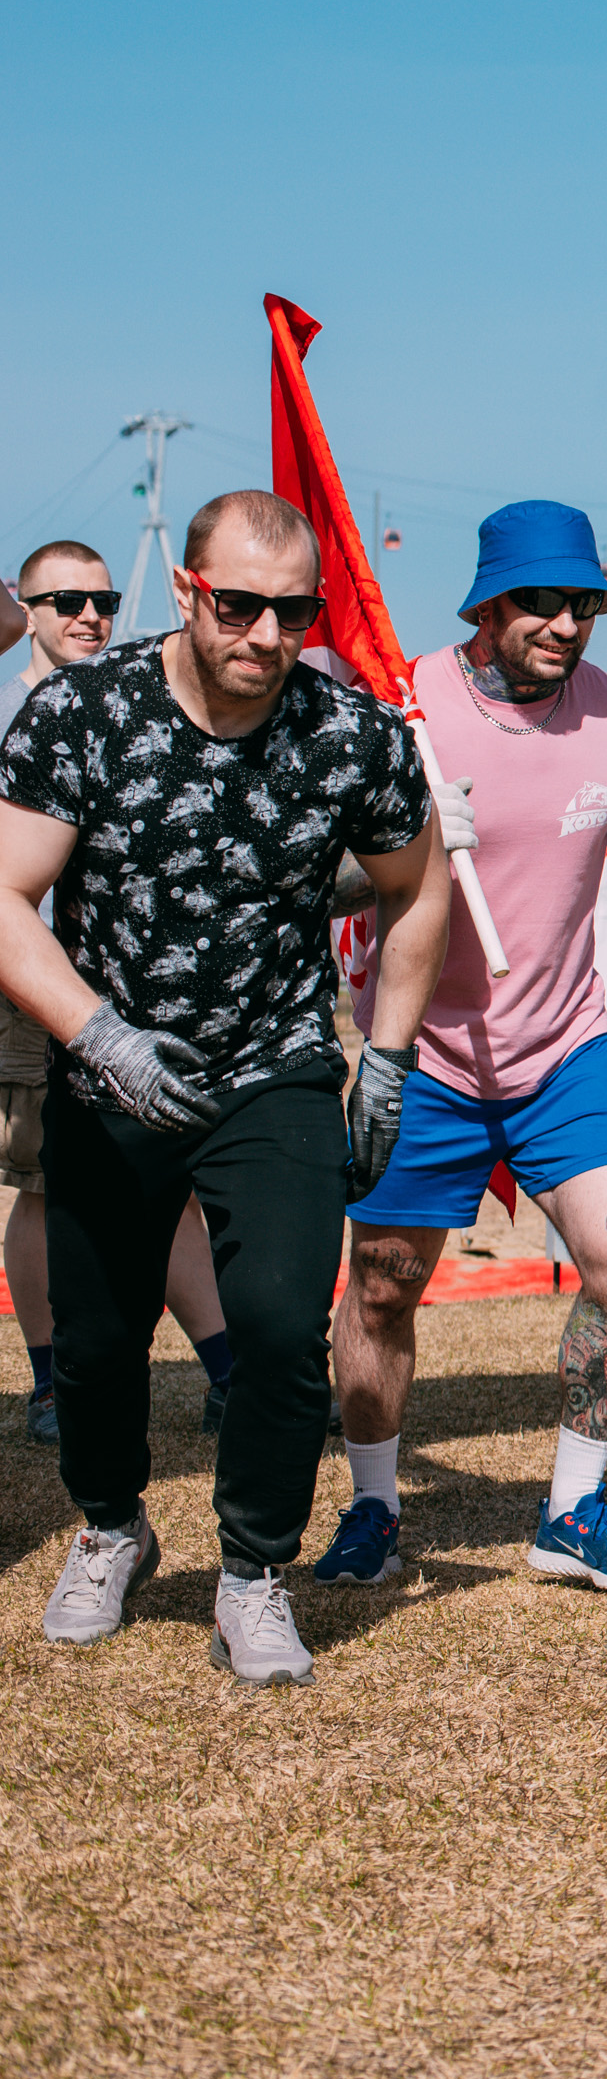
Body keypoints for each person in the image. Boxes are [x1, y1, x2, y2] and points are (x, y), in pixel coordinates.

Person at [2, 491, 447, 1687]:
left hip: (275, 1068)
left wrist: (388, 1057)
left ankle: (253, 1570)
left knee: (282, 1330)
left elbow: (419, 886)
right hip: (110, 1065)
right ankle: (112, 1526)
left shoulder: (348, 732)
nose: (265, 634)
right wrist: (100, 1038)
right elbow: (5, 895)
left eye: (293, 612)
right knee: (96, 1343)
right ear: (189, 591)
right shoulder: (83, 711)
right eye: (239, 605)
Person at [317, 506, 607, 1594]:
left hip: (564, 1051)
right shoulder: (403, 707)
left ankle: (573, 1511)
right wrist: (397, 848)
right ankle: (375, 1506)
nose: (566, 624)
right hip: (421, 1054)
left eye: (586, 603)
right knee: (382, 1290)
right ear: (486, 606)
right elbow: (313, 878)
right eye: (541, 601)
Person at [0, 544, 226, 1448]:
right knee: (46, 1185)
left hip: (132, 984)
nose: (89, 615)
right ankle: (52, 1383)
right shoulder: (13, 707)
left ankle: (228, 1369)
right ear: (25, 607)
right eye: (64, 600)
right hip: (31, 981)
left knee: (168, 1177)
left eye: (102, 598)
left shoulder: (131, 705)